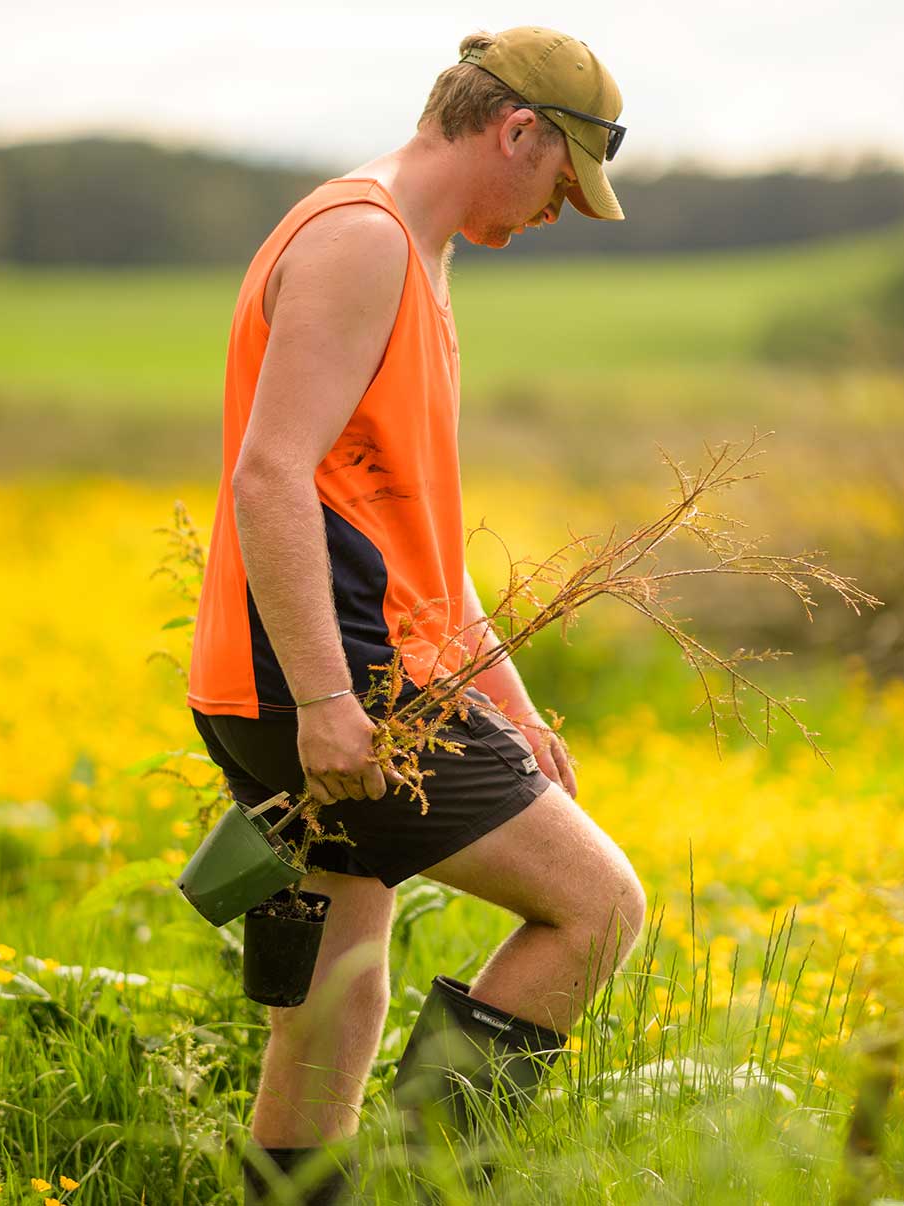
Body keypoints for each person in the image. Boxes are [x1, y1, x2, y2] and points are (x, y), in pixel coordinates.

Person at [185, 25, 646, 1204]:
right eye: (560, 180)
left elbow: (404, 530)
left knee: (339, 988)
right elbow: (269, 478)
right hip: (337, 682)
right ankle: (424, 1186)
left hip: (306, 676)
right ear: (518, 130)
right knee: (595, 908)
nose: (557, 210)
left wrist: (513, 702)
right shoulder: (364, 242)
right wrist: (332, 703)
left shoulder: (408, 249)